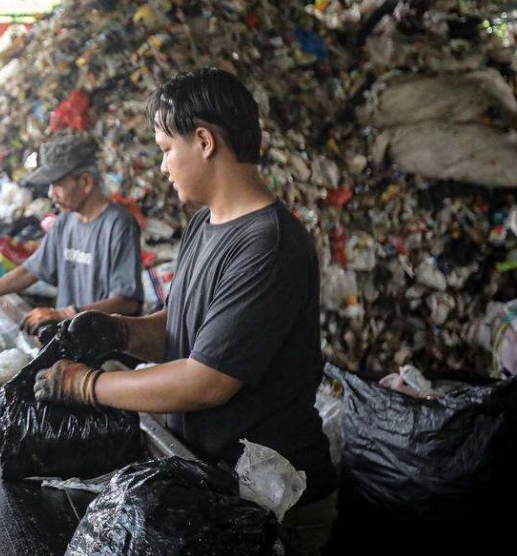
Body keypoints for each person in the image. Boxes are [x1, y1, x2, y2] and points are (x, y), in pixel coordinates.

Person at [33, 68, 337, 555]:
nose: (162, 166)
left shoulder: (269, 243)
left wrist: (86, 386)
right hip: (214, 481)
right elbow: (181, 329)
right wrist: (118, 332)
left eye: (165, 149)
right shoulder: (203, 225)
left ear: (204, 141)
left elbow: (206, 381)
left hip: (272, 503)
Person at [0, 132, 143, 333]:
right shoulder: (65, 222)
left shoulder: (118, 225)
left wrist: (65, 314)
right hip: (71, 337)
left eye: (58, 184)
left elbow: (127, 301)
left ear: (86, 182)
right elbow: (30, 271)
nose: (51, 194)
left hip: (103, 341)